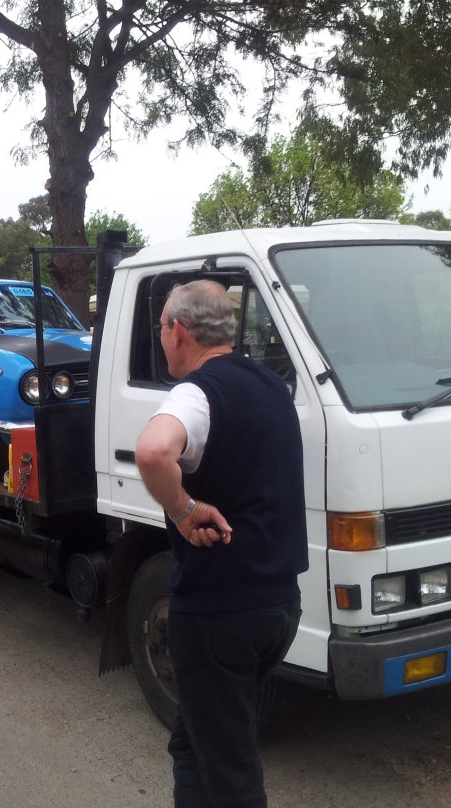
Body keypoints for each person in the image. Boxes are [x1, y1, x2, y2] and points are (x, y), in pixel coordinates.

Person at [135, 280, 308, 808]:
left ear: (178, 331)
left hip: (219, 610)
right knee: (193, 742)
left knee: (231, 771)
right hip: (278, 603)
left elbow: (152, 452)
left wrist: (184, 510)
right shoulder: (272, 385)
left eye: (162, 327)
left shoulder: (196, 393)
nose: (162, 338)